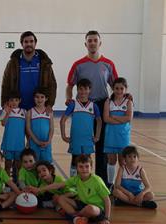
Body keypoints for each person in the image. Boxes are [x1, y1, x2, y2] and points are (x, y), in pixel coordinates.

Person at [66, 30, 119, 184]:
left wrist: (124, 97)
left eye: (95, 40)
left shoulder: (108, 64)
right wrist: (69, 98)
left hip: (102, 105)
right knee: (80, 144)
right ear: (85, 44)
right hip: (82, 107)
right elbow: (70, 85)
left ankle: (101, 181)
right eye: (90, 40)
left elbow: (116, 85)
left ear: (100, 43)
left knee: (101, 144)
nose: (92, 43)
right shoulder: (78, 64)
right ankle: (76, 180)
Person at [2, 31, 57, 111]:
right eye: (26, 42)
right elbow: (5, 84)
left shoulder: (44, 62)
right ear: (22, 44)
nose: (29, 44)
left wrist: (50, 104)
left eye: (31, 41)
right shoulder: (12, 63)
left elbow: (52, 84)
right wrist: (4, 103)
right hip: (17, 107)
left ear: (35, 43)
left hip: (38, 108)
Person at [60, 79, 102, 177]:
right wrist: (63, 136)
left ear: (90, 90)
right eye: (80, 89)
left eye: (85, 89)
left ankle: (86, 181)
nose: (83, 92)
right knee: (75, 160)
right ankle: (73, 184)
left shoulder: (93, 106)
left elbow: (99, 121)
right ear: (77, 90)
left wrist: (97, 136)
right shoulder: (73, 105)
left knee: (87, 161)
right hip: (76, 139)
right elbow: (62, 120)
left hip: (88, 139)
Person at [57, 155, 111, 224]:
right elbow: (58, 185)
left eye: (87, 166)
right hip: (83, 204)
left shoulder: (97, 181)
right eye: (81, 167)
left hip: (96, 208)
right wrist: (40, 189)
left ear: (91, 167)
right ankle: (80, 218)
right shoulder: (76, 179)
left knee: (90, 209)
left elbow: (107, 200)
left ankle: (75, 216)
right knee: (61, 198)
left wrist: (106, 218)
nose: (84, 169)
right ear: (77, 168)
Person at [103, 78, 133, 186]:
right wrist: (121, 119)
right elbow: (106, 118)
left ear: (125, 89)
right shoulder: (108, 101)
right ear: (113, 89)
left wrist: (114, 117)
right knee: (111, 161)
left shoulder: (128, 102)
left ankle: (122, 184)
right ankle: (110, 183)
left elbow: (129, 118)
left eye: (121, 88)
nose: (119, 91)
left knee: (122, 162)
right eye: (116, 88)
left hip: (123, 137)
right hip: (110, 135)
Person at [0, 91, 26, 177]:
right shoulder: (6, 111)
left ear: (20, 101)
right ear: (8, 101)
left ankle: (18, 183)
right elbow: (3, 123)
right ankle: (7, 185)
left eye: (16, 100)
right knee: (7, 165)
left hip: (19, 144)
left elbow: (27, 128)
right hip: (8, 144)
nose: (14, 102)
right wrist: (7, 112)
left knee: (19, 166)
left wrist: (28, 140)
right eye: (11, 100)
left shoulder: (24, 112)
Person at [26, 88, 54, 162]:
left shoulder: (50, 112)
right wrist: (36, 141)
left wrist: (48, 141)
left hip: (46, 143)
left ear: (46, 98)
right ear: (34, 98)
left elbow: (51, 128)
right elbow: (28, 128)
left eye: (42, 97)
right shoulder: (30, 112)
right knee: (34, 164)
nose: (39, 99)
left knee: (47, 164)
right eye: (37, 97)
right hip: (34, 143)